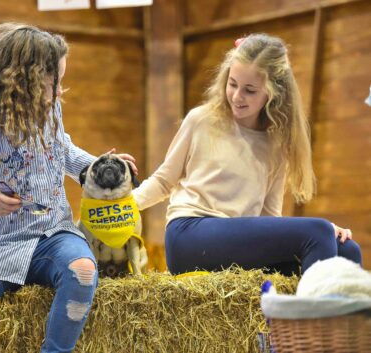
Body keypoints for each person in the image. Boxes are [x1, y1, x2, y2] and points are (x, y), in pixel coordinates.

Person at [0, 23, 136, 353]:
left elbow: (62, 150)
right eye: (54, 82)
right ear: (25, 80)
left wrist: (96, 167)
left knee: (84, 271)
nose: (61, 91)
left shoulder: (50, 110)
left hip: (50, 234)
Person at [132, 33, 362, 277]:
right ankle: (309, 315)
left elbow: (269, 217)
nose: (237, 96)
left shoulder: (276, 144)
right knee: (318, 231)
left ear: (273, 93)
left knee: (347, 250)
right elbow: (163, 180)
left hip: (236, 248)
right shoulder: (201, 120)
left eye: (250, 90)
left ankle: (338, 316)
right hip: (190, 234)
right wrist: (121, 208)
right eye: (232, 84)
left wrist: (324, 233)